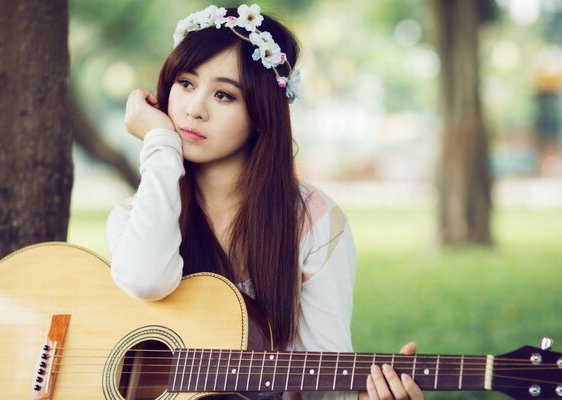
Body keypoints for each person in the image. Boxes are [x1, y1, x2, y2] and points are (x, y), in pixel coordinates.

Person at [106, 4, 424, 400]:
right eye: (186, 84)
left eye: (223, 94)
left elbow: (326, 374)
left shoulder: (313, 220)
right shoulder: (134, 216)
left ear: (260, 113)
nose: (194, 109)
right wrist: (161, 145)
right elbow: (147, 279)